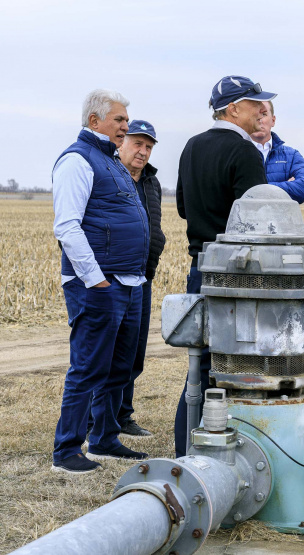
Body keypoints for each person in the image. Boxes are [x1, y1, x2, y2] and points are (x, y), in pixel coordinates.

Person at [174, 75, 275, 457]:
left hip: (200, 267)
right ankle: (228, 452)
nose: (262, 110)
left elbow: (184, 206)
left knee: (198, 366)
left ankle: (186, 449)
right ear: (233, 108)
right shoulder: (245, 152)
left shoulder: (191, 146)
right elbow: (258, 220)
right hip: (238, 273)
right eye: (255, 104)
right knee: (239, 366)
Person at [51, 89, 149, 473]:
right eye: (120, 120)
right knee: (88, 367)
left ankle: (105, 440)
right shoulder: (78, 160)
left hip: (129, 281)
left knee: (120, 367)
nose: (126, 127)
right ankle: (67, 450)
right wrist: (95, 280)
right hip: (99, 284)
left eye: (126, 120)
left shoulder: (111, 161)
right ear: (95, 121)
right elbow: (68, 227)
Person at [104, 120, 166, 438]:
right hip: (111, 279)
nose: (143, 151)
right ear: (121, 143)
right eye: (137, 144)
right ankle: (97, 419)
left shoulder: (151, 182)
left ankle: (123, 415)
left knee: (133, 353)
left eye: (148, 146)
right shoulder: (107, 175)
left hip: (143, 279)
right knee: (106, 352)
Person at [250, 100, 304, 203]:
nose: (259, 119)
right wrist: (284, 185)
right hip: (246, 219)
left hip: (281, 219)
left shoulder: (292, 156)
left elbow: (302, 190)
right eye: (254, 115)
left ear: (273, 120)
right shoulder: (235, 154)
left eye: (264, 114)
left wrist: (256, 189)